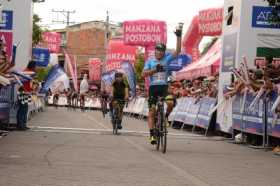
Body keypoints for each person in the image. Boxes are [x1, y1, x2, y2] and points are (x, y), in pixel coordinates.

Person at [142, 24, 183, 144]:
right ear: (155, 51)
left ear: (164, 53)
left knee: (170, 102)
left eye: (161, 51)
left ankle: (165, 117)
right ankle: (152, 135)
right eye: (157, 50)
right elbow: (143, 74)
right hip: (153, 88)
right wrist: (155, 70)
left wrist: (179, 37)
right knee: (151, 111)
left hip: (164, 87)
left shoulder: (167, 59)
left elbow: (178, 51)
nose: (159, 53)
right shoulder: (150, 62)